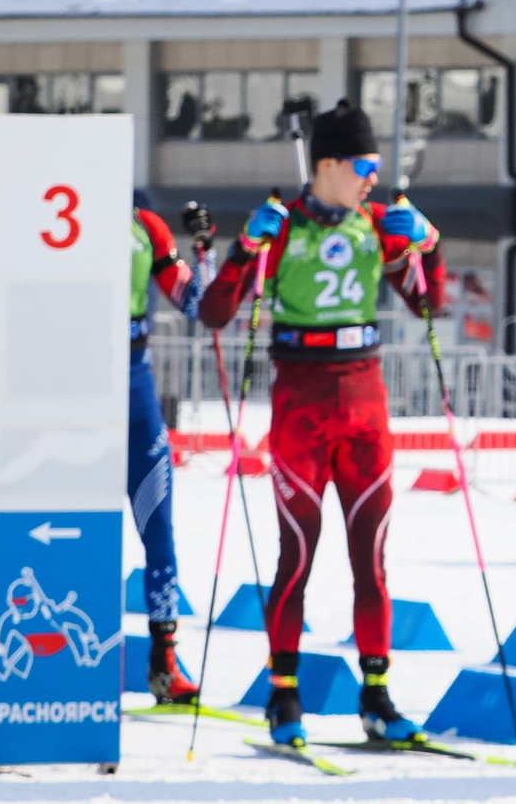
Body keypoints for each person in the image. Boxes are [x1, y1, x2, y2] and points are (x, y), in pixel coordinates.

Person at [196, 98, 438, 750]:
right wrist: (246, 245)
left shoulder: (377, 226)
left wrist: (428, 246)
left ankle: (377, 695)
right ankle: (284, 694)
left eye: (376, 165)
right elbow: (216, 313)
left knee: (372, 560)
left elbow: (428, 304)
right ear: (326, 163)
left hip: (365, 409)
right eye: (363, 164)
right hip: (300, 410)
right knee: (295, 556)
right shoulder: (281, 228)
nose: (371, 177)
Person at [128, 187, 217, 701]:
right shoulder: (57, 207)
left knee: (158, 523)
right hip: (73, 390)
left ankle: (164, 660)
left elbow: (195, 304)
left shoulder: (145, 225)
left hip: (134, 381)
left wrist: (203, 252)